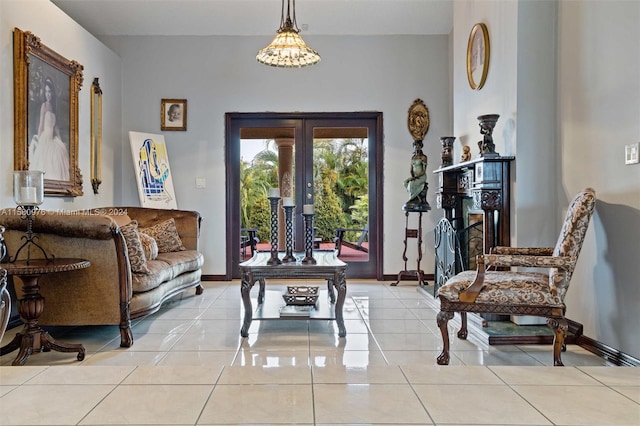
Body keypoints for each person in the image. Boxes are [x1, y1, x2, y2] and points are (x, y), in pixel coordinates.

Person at [29, 77, 69, 181]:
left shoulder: (54, 107)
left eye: (50, 91)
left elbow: (56, 128)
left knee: (59, 153)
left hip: (52, 138)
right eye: (46, 91)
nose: (48, 94)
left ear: (52, 92)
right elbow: (41, 125)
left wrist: (60, 140)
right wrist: (38, 139)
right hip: (45, 137)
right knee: (45, 161)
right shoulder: (44, 106)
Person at [403, 140, 429, 208]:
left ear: (421, 147)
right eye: (415, 146)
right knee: (405, 183)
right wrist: (413, 176)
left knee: (411, 184)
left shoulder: (423, 157)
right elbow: (411, 169)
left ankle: (411, 199)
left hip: (421, 176)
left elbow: (424, 170)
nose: (417, 148)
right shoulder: (413, 158)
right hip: (414, 176)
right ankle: (417, 197)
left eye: (418, 146)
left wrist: (417, 176)